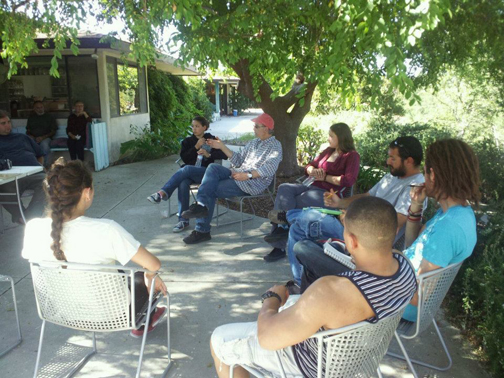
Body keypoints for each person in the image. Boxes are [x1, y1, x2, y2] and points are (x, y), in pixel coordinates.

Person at [210, 197, 417, 378]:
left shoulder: (330, 291)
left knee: (220, 339)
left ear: (352, 241)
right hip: (359, 360)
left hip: (311, 366)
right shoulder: (405, 267)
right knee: (294, 303)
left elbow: (267, 338)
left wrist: (271, 298)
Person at [21, 158, 168, 338]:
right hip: (113, 316)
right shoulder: (106, 229)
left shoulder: (33, 228)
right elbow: (154, 264)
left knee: (127, 276)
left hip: (62, 312)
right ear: (87, 193)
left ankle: (146, 316)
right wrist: (150, 275)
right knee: (142, 277)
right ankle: (143, 321)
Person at [286, 136, 426, 285]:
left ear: (409, 161)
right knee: (297, 227)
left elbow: (395, 221)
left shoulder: (415, 188)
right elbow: (366, 196)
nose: (387, 161)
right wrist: (340, 202)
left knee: (309, 217)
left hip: (367, 242)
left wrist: (352, 218)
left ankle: (286, 218)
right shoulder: (392, 177)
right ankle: (299, 283)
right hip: (353, 228)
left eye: (392, 158)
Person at [401, 139, 480, 321]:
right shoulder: (457, 213)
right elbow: (412, 246)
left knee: (324, 265)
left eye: (425, 171)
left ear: (433, 175)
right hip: (399, 287)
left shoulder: (448, 228)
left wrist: (380, 275)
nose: (423, 177)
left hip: (398, 306)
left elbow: (417, 297)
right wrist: (416, 206)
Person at [263, 122, 360, 262]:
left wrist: (325, 177)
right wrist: (312, 171)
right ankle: (284, 227)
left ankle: (280, 242)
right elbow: (308, 166)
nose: (328, 138)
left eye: (331, 136)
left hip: (329, 195)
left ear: (341, 137)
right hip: (310, 185)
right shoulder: (328, 151)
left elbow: (348, 180)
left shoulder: (351, 156)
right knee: (284, 188)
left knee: (297, 200)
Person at [180, 113, 282, 244]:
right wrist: (221, 146)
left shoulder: (275, 146)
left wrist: (248, 175)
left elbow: (270, 168)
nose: (253, 129)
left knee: (210, 188)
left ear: (266, 128)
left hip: (251, 183)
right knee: (212, 167)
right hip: (237, 175)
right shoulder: (253, 143)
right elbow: (238, 160)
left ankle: (202, 230)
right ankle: (201, 207)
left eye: (256, 126)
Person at [147, 116, 228, 233]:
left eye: (197, 126)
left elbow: (224, 155)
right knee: (183, 182)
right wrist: (196, 147)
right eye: (193, 126)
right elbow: (184, 158)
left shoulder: (212, 140)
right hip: (191, 174)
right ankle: (183, 220)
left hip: (207, 173)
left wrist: (208, 155)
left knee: (187, 169)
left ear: (204, 127)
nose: (194, 129)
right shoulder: (187, 141)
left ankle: (163, 193)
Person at [0, 110, 46, 224]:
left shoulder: (22, 137)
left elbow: (40, 154)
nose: (8, 126)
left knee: (50, 182)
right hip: (10, 178)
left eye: (8, 122)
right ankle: (23, 217)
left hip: (33, 174)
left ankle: (29, 218)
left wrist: (40, 166)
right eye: (3, 123)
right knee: (3, 190)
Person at [26, 101, 57, 167]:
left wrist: (42, 137)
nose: (40, 109)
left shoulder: (49, 117)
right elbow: (28, 130)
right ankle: (33, 165)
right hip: (33, 138)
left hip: (46, 138)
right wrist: (32, 137)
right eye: (38, 108)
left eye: (41, 107)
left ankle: (44, 166)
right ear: (34, 109)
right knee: (28, 146)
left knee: (44, 146)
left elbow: (53, 131)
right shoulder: (31, 118)